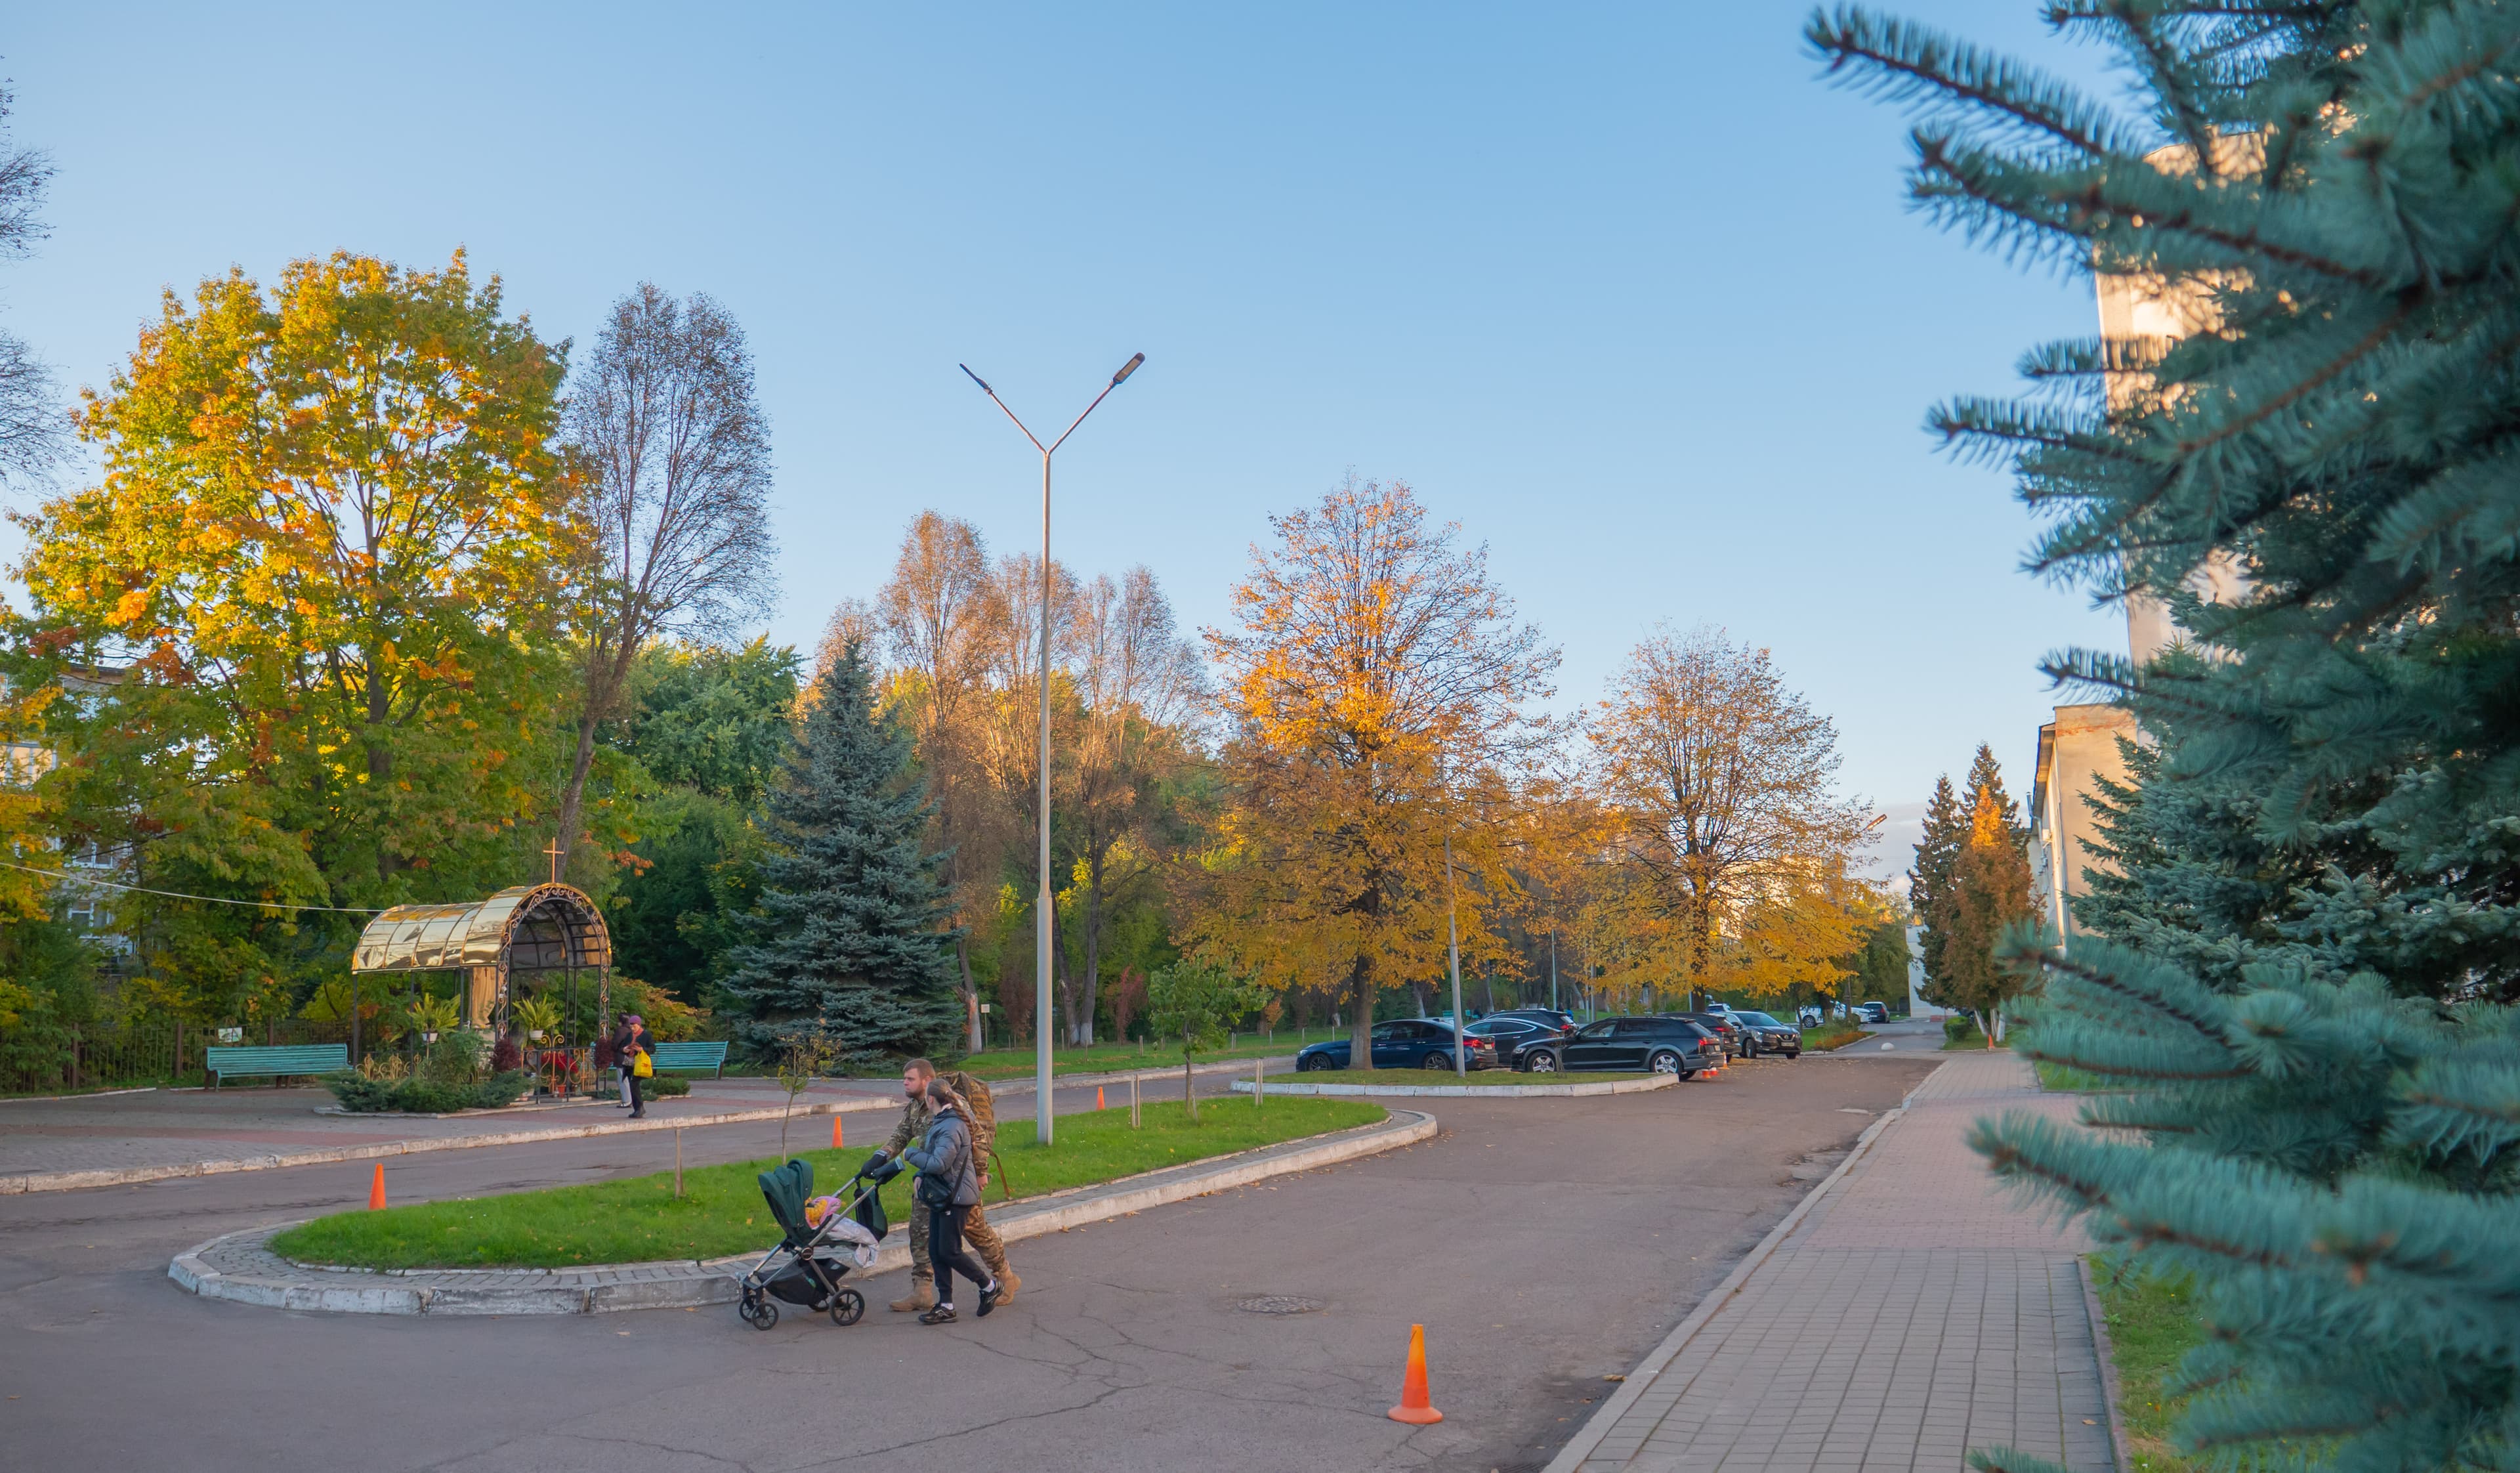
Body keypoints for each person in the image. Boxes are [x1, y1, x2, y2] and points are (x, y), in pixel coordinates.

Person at [871, 1057, 1018, 1312]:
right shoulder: (916, 1106)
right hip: (929, 1181)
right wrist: (881, 1155)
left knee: (976, 1232)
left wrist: (981, 1172)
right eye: (904, 1079)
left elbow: (978, 1136)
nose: (905, 1084)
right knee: (919, 1231)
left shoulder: (951, 1105)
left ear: (927, 1081)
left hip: (957, 1183)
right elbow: (902, 1134)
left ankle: (1006, 1277)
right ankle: (922, 1290)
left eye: (910, 1079)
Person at [901, 1075, 996, 1325]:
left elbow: (940, 1162)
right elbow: (934, 1158)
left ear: (931, 1099)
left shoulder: (951, 1126)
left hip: (956, 1197)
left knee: (949, 1251)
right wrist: (921, 1175)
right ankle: (946, 1305)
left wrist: (911, 1155)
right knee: (936, 1250)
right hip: (942, 1195)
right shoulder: (942, 1122)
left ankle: (988, 1285)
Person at [618, 1015, 652, 1119]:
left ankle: (640, 1108)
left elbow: (652, 1048)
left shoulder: (646, 1035)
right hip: (629, 1064)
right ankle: (637, 1109)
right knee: (633, 1086)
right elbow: (620, 1047)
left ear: (639, 1025)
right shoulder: (629, 1035)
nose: (633, 1029)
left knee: (634, 1085)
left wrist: (642, 1049)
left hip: (639, 1064)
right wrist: (624, 1049)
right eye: (631, 1026)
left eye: (634, 1026)